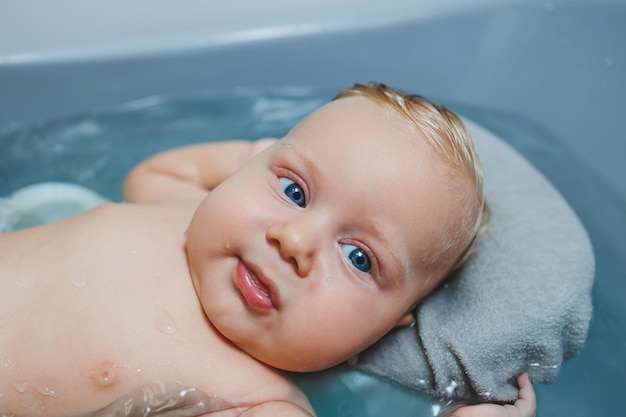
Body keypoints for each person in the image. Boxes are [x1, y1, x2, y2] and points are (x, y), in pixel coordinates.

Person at [0, 83, 535, 417]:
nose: (294, 240)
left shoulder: (256, 400)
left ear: (389, 327)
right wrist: (249, 159)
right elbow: (150, 174)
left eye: (358, 258)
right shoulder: (193, 212)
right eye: (294, 191)